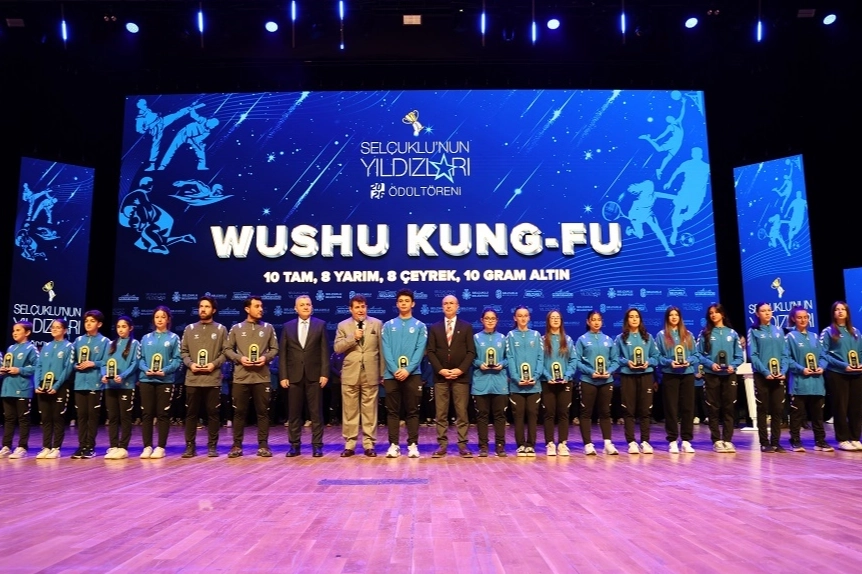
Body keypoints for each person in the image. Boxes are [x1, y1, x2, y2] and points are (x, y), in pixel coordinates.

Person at [224, 296, 279, 458]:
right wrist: (239, 358)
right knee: (239, 412)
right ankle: (236, 445)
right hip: (241, 378)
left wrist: (265, 358)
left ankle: (263, 445)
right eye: (257, 306)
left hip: (262, 377)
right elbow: (227, 349)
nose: (261, 309)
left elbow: (274, 349)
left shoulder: (268, 328)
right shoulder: (236, 328)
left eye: (261, 306)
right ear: (247, 309)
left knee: (263, 412)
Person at [279, 295, 330, 457]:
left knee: (316, 413)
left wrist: (324, 373)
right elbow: (283, 353)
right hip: (293, 376)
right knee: (294, 414)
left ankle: (317, 446)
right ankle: (294, 445)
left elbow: (324, 351)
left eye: (308, 304)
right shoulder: (287, 326)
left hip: (314, 375)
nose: (306, 307)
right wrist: (283, 375)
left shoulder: (320, 325)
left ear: (312, 307)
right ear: (296, 308)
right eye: (302, 305)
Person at [333, 294, 383, 458]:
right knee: (350, 411)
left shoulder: (377, 324)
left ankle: (369, 444)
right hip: (350, 373)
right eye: (357, 307)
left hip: (371, 372)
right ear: (351, 309)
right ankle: (350, 444)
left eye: (363, 307)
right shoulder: (343, 325)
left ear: (366, 308)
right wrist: (352, 337)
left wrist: (383, 372)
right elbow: (337, 348)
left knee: (370, 411)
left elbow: (382, 350)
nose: (360, 310)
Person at [427, 295, 476, 458]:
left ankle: (463, 445)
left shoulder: (466, 327)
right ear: (442, 307)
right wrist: (440, 370)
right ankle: (442, 445)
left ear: (457, 306)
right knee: (441, 413)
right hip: (440, 377)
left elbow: (471, 352)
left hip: (460, 377)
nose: (448, 306)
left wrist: (460, 370)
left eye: (451, 303)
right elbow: (431, 352)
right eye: (445, 304)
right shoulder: (435, 328)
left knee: (462, 412)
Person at [381, 289, 427, 459]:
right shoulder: (388, 325)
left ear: (413, 303)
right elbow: (386, 350)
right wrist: (395, 369)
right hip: (391, 375)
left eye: (407, 301)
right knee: (392, 412)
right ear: (397, 304)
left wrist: (408, 369)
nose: (404, 303)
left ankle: (412, 445)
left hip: (413, 375)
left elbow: (420, 351)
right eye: (401, 301)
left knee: (412, 411)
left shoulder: (420, 326)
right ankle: (393, 445)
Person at [180, 296, 228, 458]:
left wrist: (214, 364)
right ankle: (190, 446)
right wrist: (190, 364)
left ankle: (212, 446)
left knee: (213, 414)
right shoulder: (189, 329)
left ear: (213, 310)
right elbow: (183, 352)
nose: (203, 309)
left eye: (207, 306)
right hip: (193, 379)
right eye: (201, 306)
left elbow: (225, 352)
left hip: (212, 378)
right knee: (191, 414)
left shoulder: (221, 329)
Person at [696, 303, 744, 453]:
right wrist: (710, 364)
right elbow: (698, 354)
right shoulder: (705, 334)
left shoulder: (732, 333)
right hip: (712, 375)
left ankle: (728, 440)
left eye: (716, 312)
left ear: (722, 314)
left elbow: (739, 356)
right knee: (713, 408)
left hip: (729, 375)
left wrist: (733, 366)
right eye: (711, 313)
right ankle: (716, 440)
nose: (713, 315)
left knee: (729, 408)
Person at [786, 306, 832, 452]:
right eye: (799, 317)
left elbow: (824, 356)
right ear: (793, 319)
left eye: (805, 317)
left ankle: (820, 441)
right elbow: (787, 359)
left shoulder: (815, 337)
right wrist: (801, 369)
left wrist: (822, 367)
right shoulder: (790, 337)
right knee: (797, 415)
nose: (803, 320)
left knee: (818, 415)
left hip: (817, 383)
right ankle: (795, 440)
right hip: (800, 383)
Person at [614, 308, 660, 454]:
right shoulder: (620, 338)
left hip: (645, 376)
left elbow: (656, 356)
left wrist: (648, 362)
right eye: (631, 317)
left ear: (640, 320)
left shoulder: (648, 337)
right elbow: (615, 358)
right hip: (628, 376)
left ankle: (645, 441)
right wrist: (627, 362)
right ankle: (631, 442)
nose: (634, 319)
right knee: (629, 410)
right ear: (627, 320)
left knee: (645, 410)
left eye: (637, 317)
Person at [138, 306, 181, 459]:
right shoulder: (146, 338)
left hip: (165, 381)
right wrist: (146, 369)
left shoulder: (174, 338)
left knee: (163, 414)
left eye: (163, 317)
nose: (160, 319)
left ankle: (161, 447)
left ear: (168, 319)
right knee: (147, 414)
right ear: (153, 319)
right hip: (146, 380)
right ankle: (147, 446)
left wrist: (165, 371)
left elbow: (177, 360)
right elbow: (140, 359)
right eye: (157, 317)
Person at [574, 310, 620, 455]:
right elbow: (576, 361)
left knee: (605, 412)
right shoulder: (582, 340)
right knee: (586, 413)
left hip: (606, 381)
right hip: (588, 381)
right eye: (593, 319)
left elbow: (615, 360)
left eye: (599, 319)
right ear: (588, 322)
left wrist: (610, 371)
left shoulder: (608, 339)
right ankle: (588, 444)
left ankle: (608, 443)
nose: (596, 322)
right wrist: (590, 372)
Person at [819, 301, 862, 451]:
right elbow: (823, 354)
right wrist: (843, 365)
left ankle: (855, 438)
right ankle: (843, 439)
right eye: (837, 309)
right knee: (840, 407)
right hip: (837, 374)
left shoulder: (855, 332)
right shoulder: (828, 332)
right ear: (833, 313)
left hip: (856, 374)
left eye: (843, 309)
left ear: (847, 313)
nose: (840, 311)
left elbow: (860, 351)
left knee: (856, 407)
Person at [748, 303, 790, 453]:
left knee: (778, 409)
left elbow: (785, 354)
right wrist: (765, 372)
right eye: (763, 311)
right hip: (762, 376)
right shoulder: (754, 331)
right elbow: (753, 355)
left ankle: (776, 442)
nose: (767, 313)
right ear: (757, 314)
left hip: (778, 376)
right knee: (763, 409)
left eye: (769, 310)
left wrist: (783, 370)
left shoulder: (778, 330)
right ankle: (764, 442)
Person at [655, 306, 698, 453]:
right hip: (670, 374)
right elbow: (658, 356)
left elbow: (696, 355)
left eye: (676, 315)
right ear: (667, 318)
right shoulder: (661, 335)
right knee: (671, 408)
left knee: (688, 408)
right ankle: (672, 440)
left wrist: (688, 361)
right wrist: (669, 362)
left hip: (687, 374)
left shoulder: (688, 334)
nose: (674, 317)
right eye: (671, 315)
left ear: (680, 318)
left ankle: (686, 440)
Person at [505, 306, 544, 457]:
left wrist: (536, 376)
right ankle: (521, 445)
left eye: (525, 315)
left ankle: (531, 445)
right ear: (515, 318)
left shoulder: (536, 335)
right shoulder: (510, 336)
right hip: (517, 385)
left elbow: (540, 358)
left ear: (529, 318)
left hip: (534, 385)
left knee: (533, 415)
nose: (523, 318)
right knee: (519, 415)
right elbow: (510, 358)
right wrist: (516, 377)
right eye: (520, 316)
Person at [34, 319, 74, 459]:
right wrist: (37, 385)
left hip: (60, 385)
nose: (54, 329)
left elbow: (67, 369)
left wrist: (56, 386)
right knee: (45, 418)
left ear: (65, 330)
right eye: (53, 327)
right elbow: (39, 366)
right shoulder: (46, 346)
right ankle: (46, 447)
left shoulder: (69, 347)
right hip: (43, 385)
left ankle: (56, 448)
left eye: (58, 327)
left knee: (57, 417)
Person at [72, 310, 110, 459]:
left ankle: (90, 446)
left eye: (92, 321)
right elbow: (71, 361)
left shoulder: (105, 341)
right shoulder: (78, 340)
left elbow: (107, 362)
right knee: (81, 415)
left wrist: (93, 363)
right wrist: (76, 365)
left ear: (99, 324)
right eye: (86, 321)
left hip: (95, 383)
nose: (88, 324)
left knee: (92, 416)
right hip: (79, 383)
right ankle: (81, 445)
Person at [101, 316, 141, 460]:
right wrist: (104, 375)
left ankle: (123, 447)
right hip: (110, 386)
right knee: (112, 417)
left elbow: (135, 363)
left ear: (130, 328)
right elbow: (104, 363)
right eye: (118, 327)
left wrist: (123, 376)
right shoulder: (111, 344)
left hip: (126, 386)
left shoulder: (135, 344)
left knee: (125, 417)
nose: (121, 329)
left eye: (124, 326)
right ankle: (113, 446)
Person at [472, 308, 509, 457]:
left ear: (497, 320)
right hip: (481, 382)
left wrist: (503, 364)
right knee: (482, 416)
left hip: (499, 382)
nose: (490, 321)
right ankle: (483, 446)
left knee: (500, 415)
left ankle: (500, 445)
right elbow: (471, 358)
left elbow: (509, 358)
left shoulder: (503, 338)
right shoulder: (475, 338)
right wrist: (479, 363)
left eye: (493, 318)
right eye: (487, 318)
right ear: (482, 320)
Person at [0, 321, 39, 459]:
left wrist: (20, 370)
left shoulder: (31, 348)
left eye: (18, 330)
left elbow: (37, 367)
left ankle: (22, 446)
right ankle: (6, 446)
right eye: (13, 330)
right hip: (8, 388)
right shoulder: (11, 348)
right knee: (8, 418)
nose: (14, 333)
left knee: (23, 419)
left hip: (22, 388)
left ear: (27, 333)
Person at [540, 310, 575, 456]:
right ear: (548, 321)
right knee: (549, 413)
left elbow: (573, 360)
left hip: (565, 383)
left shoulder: (568, 340)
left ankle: (562, 444)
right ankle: (550, 444)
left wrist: (567, 376)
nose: (555, 320)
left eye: (558, 318)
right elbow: (539, 362)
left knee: (563, 413)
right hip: (547, 382)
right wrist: (548, 376)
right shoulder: (542, 340)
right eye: (552, 318)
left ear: (561, 321)